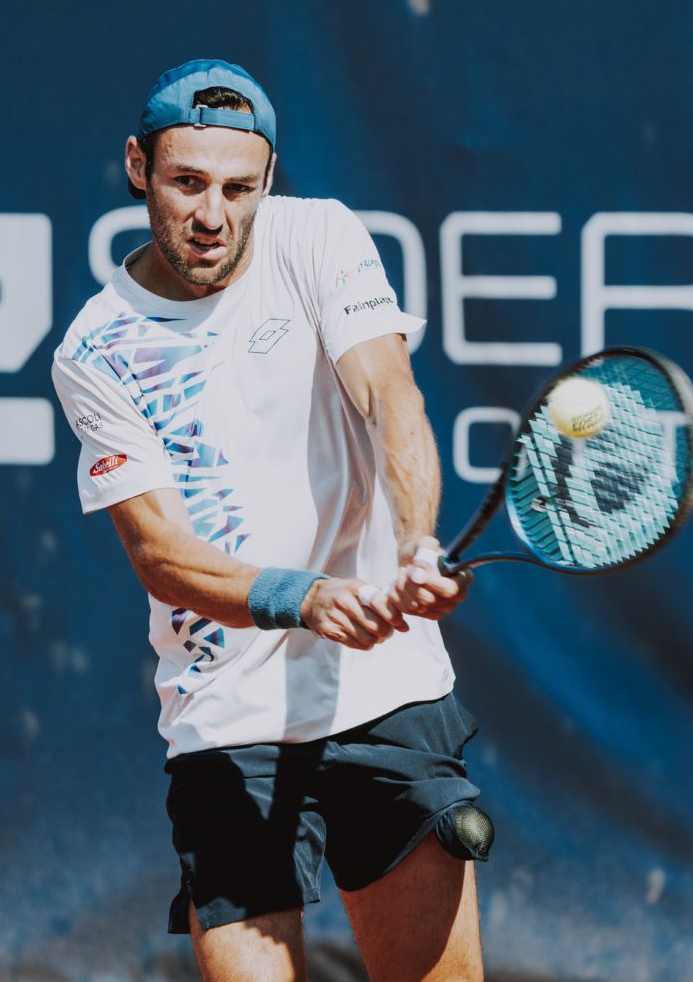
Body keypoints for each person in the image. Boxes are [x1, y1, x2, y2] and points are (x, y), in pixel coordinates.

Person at [50, 59, 490, 982]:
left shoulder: (318, 236)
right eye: (187, 182)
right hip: (227, 723)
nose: (212, 214)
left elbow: (390, 394)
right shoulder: (96, 349)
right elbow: (161, 555)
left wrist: (416, 542)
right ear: (138, 167)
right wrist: (308, 598)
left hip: (387, 696)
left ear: (268, 180)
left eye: (238, 188)